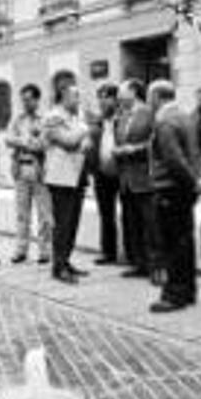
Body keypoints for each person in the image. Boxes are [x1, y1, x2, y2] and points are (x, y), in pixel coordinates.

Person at [148, 80, 201, 313]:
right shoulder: (186, 116)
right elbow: (195, 154)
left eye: (150, 97)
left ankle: (174, 295)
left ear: (156, 97)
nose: (149, 102)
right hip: (184, 190)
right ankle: (188, 290)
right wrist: (198, 181)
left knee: (172, 243)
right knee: (185, 240)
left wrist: (195, 182)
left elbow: (174, 160)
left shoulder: (164, 121)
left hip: (170, 188)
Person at [43, 82, 91, 284]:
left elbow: (85, 144)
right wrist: (84, 130)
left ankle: (66, 260)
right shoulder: (54, 117)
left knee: (72, 223)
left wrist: (81, 138)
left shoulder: (74, 117)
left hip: (77, 175)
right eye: (75, 96)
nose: (78, 100)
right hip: (61, 178)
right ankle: (58, 267)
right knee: (62, 224)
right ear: (63, 97)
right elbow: (69, 141)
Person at [113, 79, 160, 282]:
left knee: (152, 226)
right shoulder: (122, 115)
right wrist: (117, 151)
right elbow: (119, 140)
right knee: (132, 225)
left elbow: (155, 142)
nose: (118, 97)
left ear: (133, 91)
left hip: (145, 178)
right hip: (126, 179)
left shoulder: (149, 112)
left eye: (122, 92)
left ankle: (157, 267)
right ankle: (139, 265)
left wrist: (134, 149)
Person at [5, 83, 52, 264]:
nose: (25, 103)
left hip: (40, 170)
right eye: (23, 100)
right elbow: (8, 139)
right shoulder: (17, 119)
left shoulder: (46, 119)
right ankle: (21, 249)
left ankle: (45, 251)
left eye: (29, 99)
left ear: (37, 100)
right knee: (22, 213)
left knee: (44, 213)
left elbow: (44, 144)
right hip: (21, 169)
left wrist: (24, 142)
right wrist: (26, 142)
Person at [86, 83, 121, 265]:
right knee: (106, 214)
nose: (101, 101)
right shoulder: (97, 121)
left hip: (122, 173)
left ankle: (135, 255)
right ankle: (108, 252)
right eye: (99, 97)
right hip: (101, 173)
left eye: (106, 97)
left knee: (131, 214)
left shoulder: (123, 119)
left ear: (116, 99)